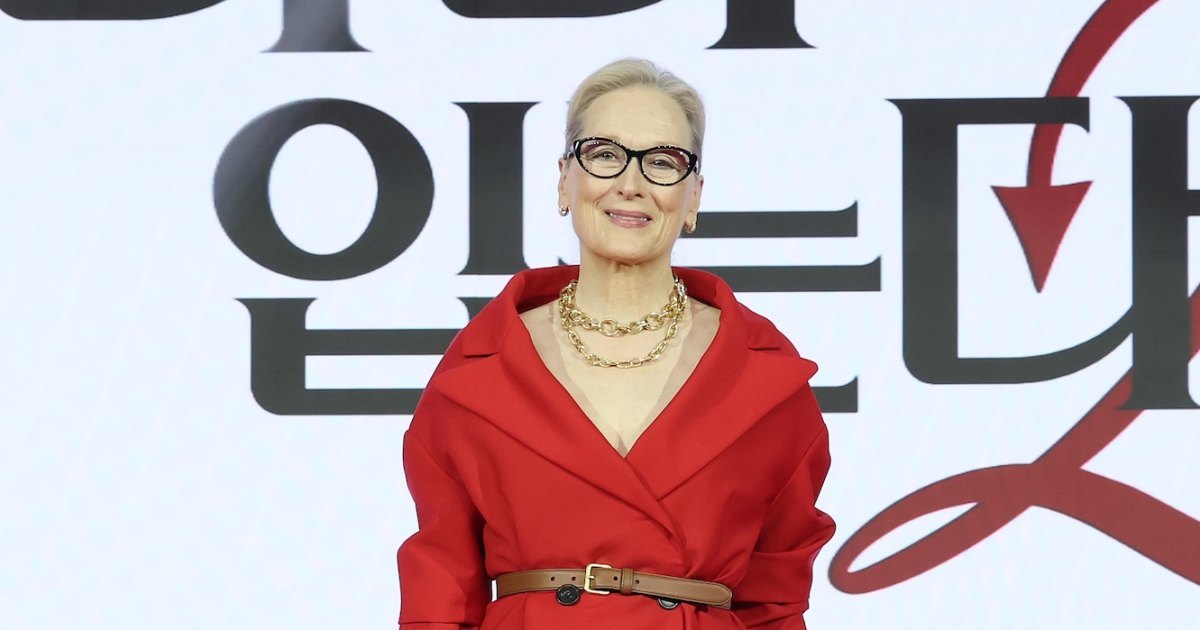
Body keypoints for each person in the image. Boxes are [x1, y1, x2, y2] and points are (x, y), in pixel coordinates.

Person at [397, 58, 835, 629]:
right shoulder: (480, 370)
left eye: (663, 162)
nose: (631, 184)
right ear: (565, 180)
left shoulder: (765, 382)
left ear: (694, 197)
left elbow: (777, 603)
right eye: (604, 155)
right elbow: (439, 591)